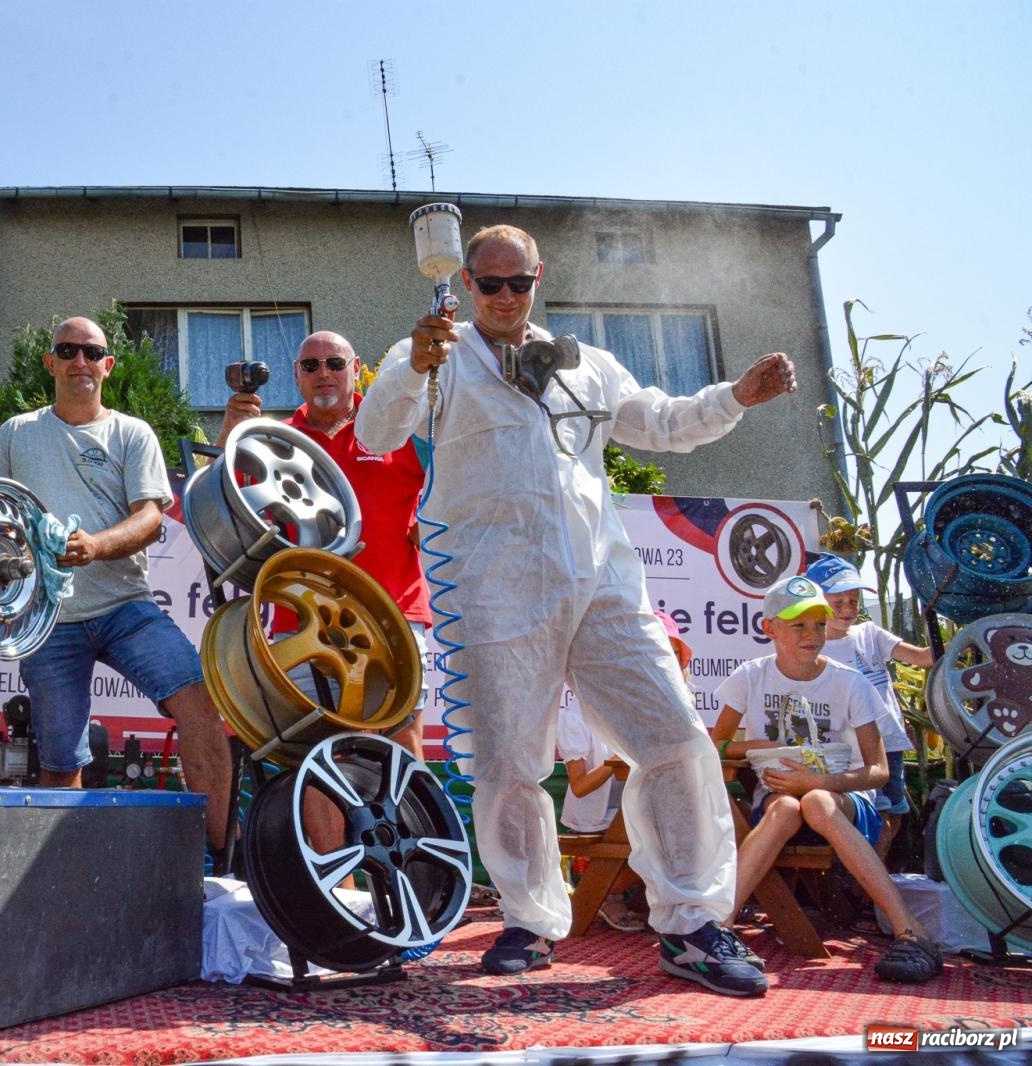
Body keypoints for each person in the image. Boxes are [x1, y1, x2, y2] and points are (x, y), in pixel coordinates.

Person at [356, 222, 797, 997]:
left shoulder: (586, 363)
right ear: (464, 283)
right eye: (487, 284)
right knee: (507, 763)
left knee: (675, 736)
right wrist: (407, 372)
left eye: (517, 282)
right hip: (491, 588)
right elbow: (373, 430)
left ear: (538, 279)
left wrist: (736, 397)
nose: (502, 297)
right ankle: (528, 921)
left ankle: (692, 924)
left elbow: (660, 423)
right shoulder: (429, 356)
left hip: (603, 584)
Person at [0, 316, 233, 851]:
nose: (80, 361)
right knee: (58, 758)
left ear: (107, 365)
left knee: (199, 704)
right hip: (47, 621)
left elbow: (150, 520)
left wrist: (94, 546)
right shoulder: (17, 433)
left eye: (92, 352)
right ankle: (61, 882)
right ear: (51, 363)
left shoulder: (131, 432)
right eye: (68, 350)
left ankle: (219, 858)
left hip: (125, 608)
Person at [711, 575, 942, 982]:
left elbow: (878, 771)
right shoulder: (750, 676)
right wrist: (756, 745)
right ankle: (719, 930)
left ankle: (911, 931)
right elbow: (717, 745)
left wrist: (817, 784)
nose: (812, 634)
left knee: (815, 803)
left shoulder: (849, 681)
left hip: (844, 806)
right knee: (785, 807)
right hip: (780, 802)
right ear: (770, 628)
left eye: (819, 624)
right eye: (799, 625)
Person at [216, 330, 432, 760]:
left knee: (401, 741)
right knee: (315, 754)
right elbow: (218, 504)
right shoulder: (272, 439)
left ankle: (404, 830)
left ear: (357, 370)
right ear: (297, 376)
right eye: (311, 366)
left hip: (392, 609)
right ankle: (322, 832)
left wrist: (430, 523)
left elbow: (456, 492)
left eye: (335, 363)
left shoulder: (400, 428)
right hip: (301, 614)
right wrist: (229, 435)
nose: (324, 374)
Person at [558, 611, 691, 931]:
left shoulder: (675, 704)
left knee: (702, 824)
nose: (664, 662)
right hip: (598, 819)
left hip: (644, 813)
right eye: (655, 652)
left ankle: (685, 906)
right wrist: (616, 759)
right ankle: (605, 894)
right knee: (671, 833)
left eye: (672, 654)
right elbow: (578, 787)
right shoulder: (577, 711)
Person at [806, 553, 935, 856]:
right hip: (846, 752)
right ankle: (860, 886)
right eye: (838, 603)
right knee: (861, 818)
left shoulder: (870, 633)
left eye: (853, 601)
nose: (848, 609)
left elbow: (920, 657)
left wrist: (955, 634)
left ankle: (874, 889)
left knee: (893, 815)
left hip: (888, 744)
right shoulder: (812, 648)